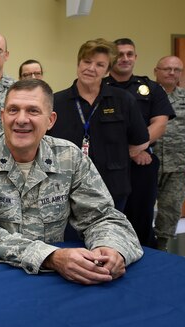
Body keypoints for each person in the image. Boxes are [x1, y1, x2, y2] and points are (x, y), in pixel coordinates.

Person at [0, 79, 143, 285]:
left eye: (33, 111)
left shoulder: (69, 157)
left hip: (55, 280)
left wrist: (111, 249)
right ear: (2, 116)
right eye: (13, 110)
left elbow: (102, 217)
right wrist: (51, 257)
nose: (21, 119)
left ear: (51, 120)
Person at [47, 38, 149, 213]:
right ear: (78, 63)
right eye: (87, 61)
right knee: (70, 241)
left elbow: (141, 140)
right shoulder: (56, 102)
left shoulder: (123, 100)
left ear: (107, 70)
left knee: (108, 239)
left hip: (112, 189)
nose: (91, 68)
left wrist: (121, 155)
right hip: (66, 191)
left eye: (100, 65)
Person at [104, 38, 176, 247]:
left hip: (141, 163)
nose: (124, 58)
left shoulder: (151, 88)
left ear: (135, 57)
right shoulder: (99, 87)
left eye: (129, 54)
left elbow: (160, 123)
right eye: (119, 54)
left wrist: (136, 148)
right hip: (106, 165)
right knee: (109, 216)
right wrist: (126, 152)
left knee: (141, 218)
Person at [152, 56, 185, 251]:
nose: (172, 73)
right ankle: (139, 241)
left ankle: (162, 244)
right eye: (167, 69)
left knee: (171, 208)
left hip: (178, 163)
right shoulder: (146, 95)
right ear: (156, 71)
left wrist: (178, 146)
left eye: (176, 70)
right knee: (141, 206)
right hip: (148, 160)